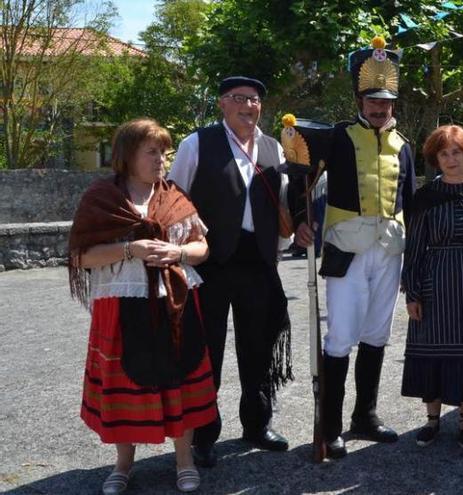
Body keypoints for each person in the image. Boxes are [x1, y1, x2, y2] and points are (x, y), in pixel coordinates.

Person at [70, 119, 216, 493]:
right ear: (127, 154)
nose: (161, 161)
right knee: (126, 386)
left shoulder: (175, 197)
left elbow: (202, 248)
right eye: (152, 152)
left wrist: (178, 251)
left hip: (175, 304)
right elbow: (83, 257)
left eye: (165, 153)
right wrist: (129, 249)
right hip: (120, 305)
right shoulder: (102, 199)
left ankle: (184, 461)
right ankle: (122, 465)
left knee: (178, 377)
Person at [292, 36, 417, 459]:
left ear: (394, 102)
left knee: (378, 334)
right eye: (371, 100)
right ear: (359, 99)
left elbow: (411, 201)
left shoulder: (405, 145)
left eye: (386, 101)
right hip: (346, 248)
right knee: (341, 336)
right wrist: (299, 220)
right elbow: (299, 177)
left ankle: (365, 414)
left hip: (390, 250)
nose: (379, 108)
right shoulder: (336, 137)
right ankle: (331, 426)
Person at [168, 76, 294, 467]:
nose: (249, 106)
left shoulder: (274, 147)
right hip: (210, 264)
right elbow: (174, 196)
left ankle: (257, 424)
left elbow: (284, 203)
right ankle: (205, 435)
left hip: (258, 261)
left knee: (258, 346)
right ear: (222, 104)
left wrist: (284, 242)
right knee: (207, 351)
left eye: (255, 100)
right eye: (239, 99)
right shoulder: (197, 143)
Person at [400, 125, 463, 449]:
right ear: (435, 158)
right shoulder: (426, 196)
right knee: (433, 352)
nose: (451, 158)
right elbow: (413, 247)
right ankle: (432, 420)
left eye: (456, 152)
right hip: (435, 281)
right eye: (444, 153)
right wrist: (412, 292)